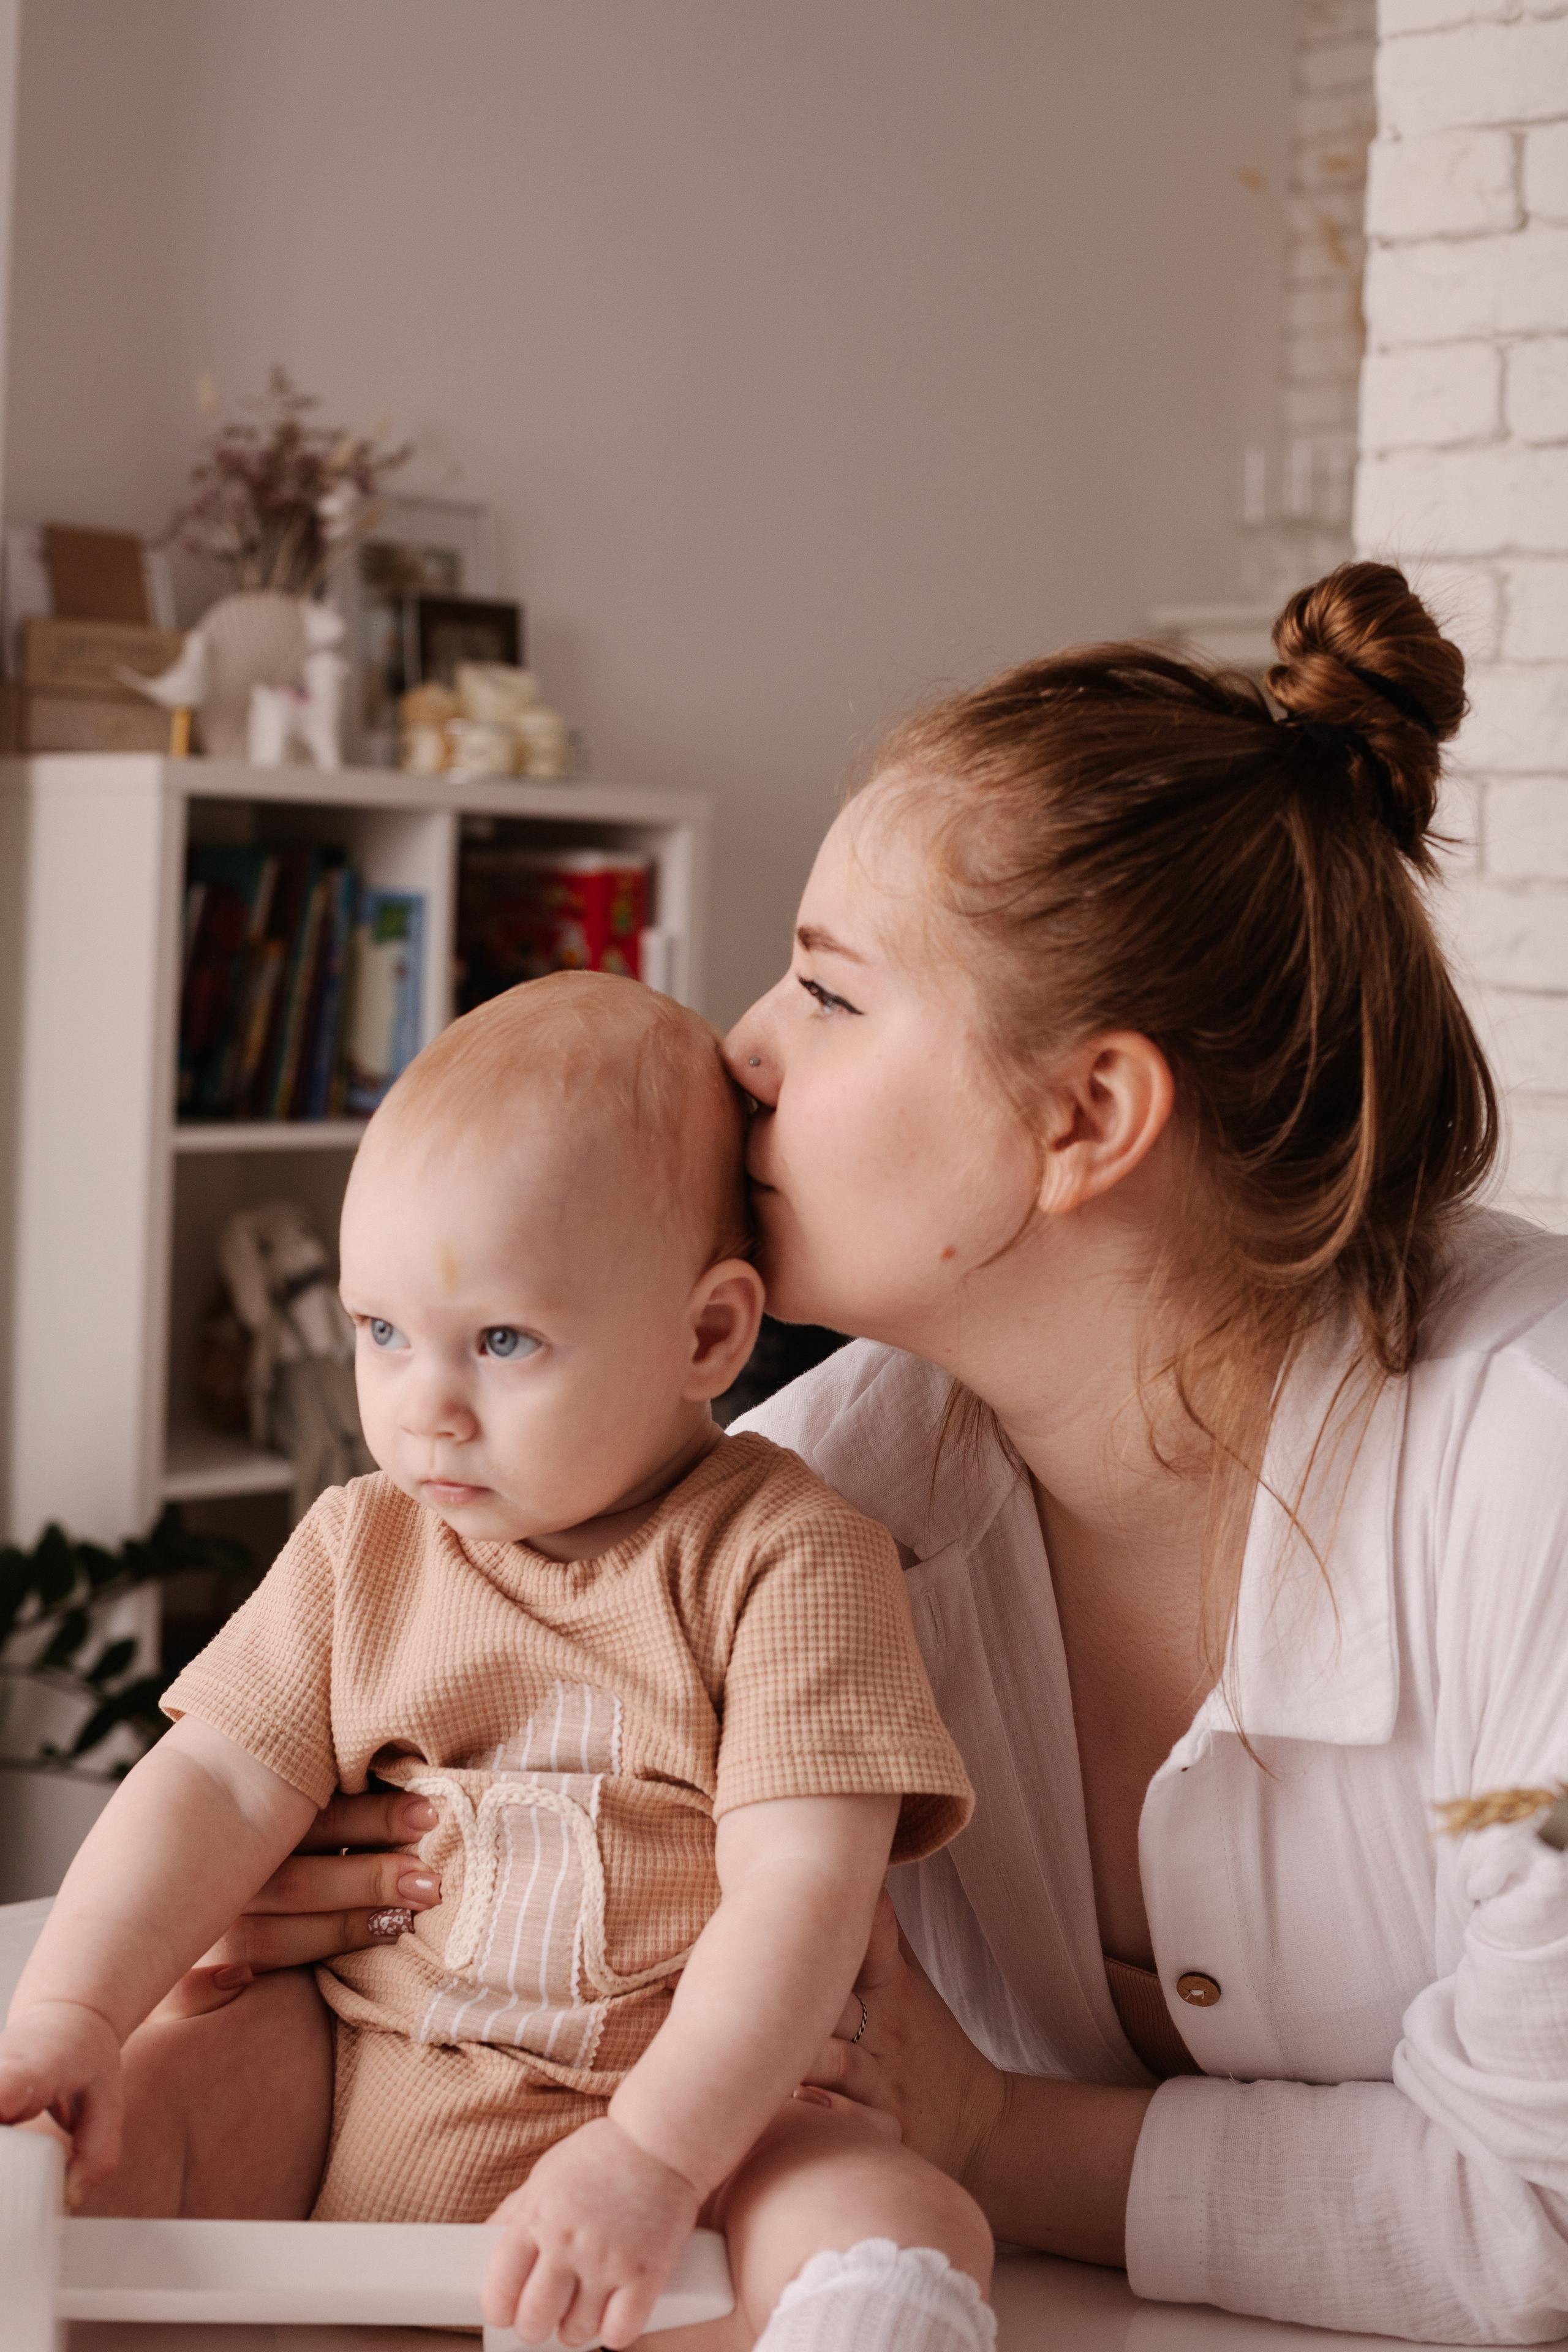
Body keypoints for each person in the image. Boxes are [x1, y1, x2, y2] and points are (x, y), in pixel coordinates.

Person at [136, 559, 1566, 2345]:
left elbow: (1540, 2216)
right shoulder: (809, 1494)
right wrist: (289, 1902)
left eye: (825, 991)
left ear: (1086, 1116)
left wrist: (995, 2136)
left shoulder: (1529, 1486)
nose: (739, 1049)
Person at [0, 974, 995, 2352]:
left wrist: (653, 2156)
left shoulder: (787, 1556)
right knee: (123, 2126)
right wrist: (73, 2011)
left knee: (884, 2211)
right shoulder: (359, 1545)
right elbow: (214, 1785)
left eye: (503, 1340)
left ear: (707, 1335)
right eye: (381, 1332)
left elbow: (802, 1891)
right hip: (359, 2083)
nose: (425, 1408)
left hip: (691, 2131)